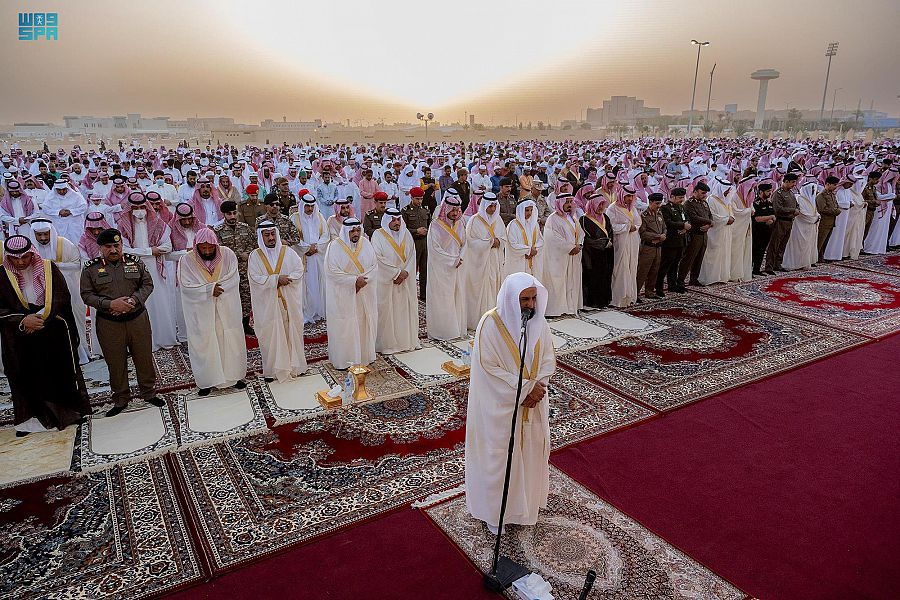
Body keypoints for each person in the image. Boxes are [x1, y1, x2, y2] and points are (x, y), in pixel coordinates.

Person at [464, 272, 556, 533]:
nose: (530, 305)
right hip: (499, 408)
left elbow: (548, 359)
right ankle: (495, 513)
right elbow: (488, 368)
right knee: (500, 458)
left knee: (529, 452)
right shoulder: (490, 324)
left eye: (533, 299)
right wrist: (525, 389)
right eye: (524, 299)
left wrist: (538, 387)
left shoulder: (540, 323)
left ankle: (523, 507)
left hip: (533, 403)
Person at [0, 235, 91, 436]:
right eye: (15, 259)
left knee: (58, 371)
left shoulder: (49, 269)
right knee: (26, 375)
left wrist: (40, 317)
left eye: (25, 257)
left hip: (52, 329)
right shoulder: (2, 275)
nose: (21, 262)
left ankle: (67, 413)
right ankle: (30, 420)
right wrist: (23, 320)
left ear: (32, 253)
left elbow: (61, 297)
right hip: (20, 336)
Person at [81, 228, 162, 417]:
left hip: (137, 319)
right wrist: (111, 304)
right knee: (115, 362)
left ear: (121, 245)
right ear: (100, 248)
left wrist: (133, 300)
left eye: (116, 246)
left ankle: (149, 393)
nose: (113, 250)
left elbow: (147, 284)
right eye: (108, 247)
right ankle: (120, 398)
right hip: (109, 323)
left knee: (143, 357)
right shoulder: (91, 268)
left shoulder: (135, 262)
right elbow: (86, 295)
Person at [178, 229, 247, 395]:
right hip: (201, 312)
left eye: (210, 248)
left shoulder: (228, 254)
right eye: (203, 249)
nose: (207, 252)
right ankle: (207, 382)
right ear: (196, 247)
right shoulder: (186, 260)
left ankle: (234, 377)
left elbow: (233, 277)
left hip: (227, 307)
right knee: (205, 343)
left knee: (230, 340)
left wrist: (215, 288)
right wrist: (209, 290)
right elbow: (186, 285)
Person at [116, 191, 178, 350]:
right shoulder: (123, 226)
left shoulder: (159, 224)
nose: (139, 210)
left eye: (142, 206)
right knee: (139, 302)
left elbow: (167, 247)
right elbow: (123, 250)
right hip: (133, 269)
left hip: (156, 270)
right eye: (135, 207)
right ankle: (142, 342)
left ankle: (163, 338)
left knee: (159, 302)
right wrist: (150, 251)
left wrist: (139, 251)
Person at [248, 221, 307, 383]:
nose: (271, 238)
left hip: (288, 302)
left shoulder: (288, 252)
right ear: (261, 237)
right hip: (268, 306)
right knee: (270, 334)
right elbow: (255, 278)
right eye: (266, 235)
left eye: (273, 234)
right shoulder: (255, 256)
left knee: (291, 331)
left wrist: (286, 279)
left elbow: (298, 270)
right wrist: (275, 280)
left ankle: (296, 367)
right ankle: (273, 370)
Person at [28, 218, 90, 364]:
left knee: (74, 319)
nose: (43, 238)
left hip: (68, 291)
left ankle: (81, 354)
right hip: (41, 294)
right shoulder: (29, 250)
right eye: (39, 235)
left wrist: (53, 267)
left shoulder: (64, 244)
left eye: (46, 234)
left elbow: (77, 265)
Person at [324, 217, 378, 367]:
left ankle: (365, 356)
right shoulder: (334, 247)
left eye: (358, 230)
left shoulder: (366, 244)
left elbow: (374, 266)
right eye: (352, 231)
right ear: (345, 231)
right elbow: (331, 271)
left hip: (364, 293)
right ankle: (345, 360)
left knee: (364, 323)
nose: (355, 233)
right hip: (343, 295)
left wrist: (362, 281)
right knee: (346, 325)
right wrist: (354, 281)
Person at [372, 208, 420, 354]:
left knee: (405, 309)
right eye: (393, 220)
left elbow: (412, 255)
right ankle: (388, 344)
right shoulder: (378, 235)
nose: (396, 223)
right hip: (387, 281)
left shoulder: (406, 234)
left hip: (405, 279)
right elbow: (377, 258)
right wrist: (396, 273)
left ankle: (406, 340)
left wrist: (406, 273)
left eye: (398, 219)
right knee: (387, 311)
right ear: (387, 221)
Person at [426, 195, 467, 340]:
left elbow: (465, 243)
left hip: (458, 266)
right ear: (446, 209)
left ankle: (457, 328)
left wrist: (460, 257)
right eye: (452, 210)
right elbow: (435, 249)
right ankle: (443, 330)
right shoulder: (435, 225)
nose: (455, 213)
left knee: (457, 296)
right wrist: (452, 260)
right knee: (442, 298)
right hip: (441, 269)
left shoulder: (460, 224)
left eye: (457, 210)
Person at [464, 193, 507, 329]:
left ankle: (494, 318)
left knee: (495, 285)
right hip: (479, 264)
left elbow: (504, 238)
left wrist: (498, 241)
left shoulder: (498, 220)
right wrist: (489, 242)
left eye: (495, 206)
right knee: (479, 289)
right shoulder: (474, 221)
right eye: (490, 206)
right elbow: (470, 242)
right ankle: (478, 319)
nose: (493, 209)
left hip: (494, 260)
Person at [215, 200, 258, 335]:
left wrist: (248, 253)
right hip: (228, 272)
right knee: (230, 299)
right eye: (229, 214)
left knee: (246, 298)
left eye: (234, 213)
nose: (232, 216)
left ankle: (245, 325)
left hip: (245, 270)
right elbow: (218, 250)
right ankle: (232, 326)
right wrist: (237, 255)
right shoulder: (218, 231)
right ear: (224, 215)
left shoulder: (245, 228)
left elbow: (254, 244)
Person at [290, 193, 329, 323]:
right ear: (302, 205)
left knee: (318, 282)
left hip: (317, 256)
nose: (310, 209)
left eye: (312, 206)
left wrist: (316, 247)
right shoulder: (294, 218)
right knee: (306, 284)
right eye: (307, 206)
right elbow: (294, 238)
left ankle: (319, 310)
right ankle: (307, 311)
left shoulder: (320, 217)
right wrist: (307, 248)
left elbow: (326, 236)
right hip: (303, 258)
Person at [543, 192, 584, 316]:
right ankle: (558, 309)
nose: (569, 205)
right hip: (559, 258)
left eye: (571, 202)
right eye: (566, 202)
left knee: (572, 280)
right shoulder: (552, 219)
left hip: (574, 255)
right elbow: (552, 239)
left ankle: (571, 306)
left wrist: (579, 245)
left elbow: (581, 233)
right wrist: (569, 248)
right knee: (559, 282)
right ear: (559, 203)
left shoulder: (573, 218)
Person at [607, 186, 641, 307]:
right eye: (627, 196)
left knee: (632, 267)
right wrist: (627, 227)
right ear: (622, 195)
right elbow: (611, 226)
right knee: (621, 269)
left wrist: (634, 227)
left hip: (632, 241)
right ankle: (618, 299)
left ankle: (629, 297)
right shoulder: (612, 208)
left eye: (631, 196)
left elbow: (638, 222)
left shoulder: (632, 208)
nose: (630, 199)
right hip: (620, 242)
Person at [579, 191, 614, 308]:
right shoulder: (584, 220)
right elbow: (586, 239)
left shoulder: (606, 218)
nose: (601, 208)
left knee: (605, 276)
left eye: (602, 205)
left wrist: (608, 242)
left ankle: (603, 301)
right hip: (591, 254)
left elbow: (610, 233)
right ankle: (592, 302)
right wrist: (603, 243)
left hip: (606, 253)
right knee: (592, 277)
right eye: (598, 205)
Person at [698, 178, 735, 285]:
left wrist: (731, 218)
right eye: (726, 189)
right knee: (713, 254)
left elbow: (730, 212)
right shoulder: (711, 199)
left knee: (724, 253)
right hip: (715, 232)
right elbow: (712, 216)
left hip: (726, 231)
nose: (728, 192)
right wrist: (726, 220)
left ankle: (722, 277)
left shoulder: (727, 200)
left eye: (729, 190)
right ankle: (710, 278)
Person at [763, 172, 800, 274]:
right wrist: (793, 210)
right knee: (774, 244)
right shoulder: (778, 193)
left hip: (789, 222)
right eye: (792, 182)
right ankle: (769, 266)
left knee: (783, 244)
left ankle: (778, 264)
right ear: (786, 181)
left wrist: (796, 209)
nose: (794, 185)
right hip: (780, 222)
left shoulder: (791, 193)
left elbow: (796, 205)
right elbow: (777, 208)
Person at [657, 187, 690, 294]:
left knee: (675, 264)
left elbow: (687, 219)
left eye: (683, 197)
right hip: (670, 242)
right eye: (680, 197)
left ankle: (673, 285)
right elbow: (667, 222)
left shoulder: (681, 207)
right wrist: (682, 225)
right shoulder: (665, 208)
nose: (682, 199)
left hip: (680, 241)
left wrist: (685, 228)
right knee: (665, 265)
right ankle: (659, 287)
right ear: (672, 197)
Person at [679, 181, 712, 284]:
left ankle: (694, 279)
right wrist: (709, 222)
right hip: (694, 235)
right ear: (695, 191)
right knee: (688, 259)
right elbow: (694, 217)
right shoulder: (689, 203)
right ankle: (680, 280)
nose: (704, 195)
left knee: (699, 258)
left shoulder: (704, 203)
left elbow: (710, 215)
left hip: (704, 235)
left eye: (705, 193)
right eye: (702, 193)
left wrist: (709, 224)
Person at [782, 180, 820, 270]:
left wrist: (817, 217)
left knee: (808, 246)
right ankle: (795, 264)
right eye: (812, 190)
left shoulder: (812, 200)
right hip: (799, 228)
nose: (813, 192)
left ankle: (804, 263)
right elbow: (802, 214)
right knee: (798, 245)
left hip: (810, 227)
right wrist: (814, 219)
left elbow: (815, 212)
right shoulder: (798, 198)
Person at [504, 198, 544, 281]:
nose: (529, 213)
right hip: (519, 263)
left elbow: (541, 241)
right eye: (527, 210)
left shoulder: (534, 224)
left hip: (533, 262)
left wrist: (534, 250)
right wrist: (527, 250)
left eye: (531, 210)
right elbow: (512, 245)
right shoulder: (513, 225)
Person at [402, 186, 430, 301]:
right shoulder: (406, 211)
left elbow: (429, 224)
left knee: (425, 269)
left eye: (421, 199)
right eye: (417, 199)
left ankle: (424, 294)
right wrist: (416, 231)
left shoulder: (425, 210)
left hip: (424, 243)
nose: (419, 201)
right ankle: (410, 293)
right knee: (412, 269)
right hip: (412, 243)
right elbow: (402, 229)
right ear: (412, 198)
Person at [636, 193, 666, 300]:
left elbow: (664, 228)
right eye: (657, 203)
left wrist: (663, 235)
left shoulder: (659, 214)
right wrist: (657, 236)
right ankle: (636, 293)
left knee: (654, 270)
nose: (659, 206)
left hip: (658, 247)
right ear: (651, 202)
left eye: (660, 203)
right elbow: (642, 232)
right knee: (643, 271)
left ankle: (649, 291)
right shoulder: (644, 215)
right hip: (648, 248)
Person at [41, 179, 88, 243]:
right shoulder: (50, 197)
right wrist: (58, 212)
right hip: (58, 225)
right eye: (59, 190)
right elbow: (45, 208)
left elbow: (84, 207)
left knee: (76, 242)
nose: (62, 191)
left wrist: (71, 211)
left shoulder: (76, 196)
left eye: (64, 189)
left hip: (74, 225)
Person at [751, 182, 775, 275]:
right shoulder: (756, 203)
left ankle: (757, 269)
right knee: (755, 250)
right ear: (761, 192)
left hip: (767, 230)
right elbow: (756, 218)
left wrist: (771, 220)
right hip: (757, 231)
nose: (769, 193)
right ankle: (750, 269)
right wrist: (769, 218)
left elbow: (773, 215)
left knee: (762, 251)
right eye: (768, 191)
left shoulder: (769, 202)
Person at [815, 176, 842, 261]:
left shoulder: (832, 195)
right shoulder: (821, 195)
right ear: (827, 184)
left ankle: (821, 256)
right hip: (824, 222)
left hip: (831, 221)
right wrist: (835, 211)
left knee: (825, 241)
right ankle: (815, 257)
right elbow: (822, 209)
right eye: (834, 185)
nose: (835, 187)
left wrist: (836, 210)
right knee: (820, 240)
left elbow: (836, 205)